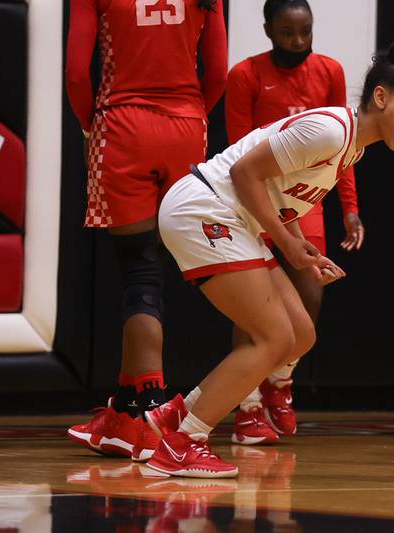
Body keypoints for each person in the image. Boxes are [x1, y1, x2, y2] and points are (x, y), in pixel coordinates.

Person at [141, 40, 394, 478]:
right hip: (205, 207)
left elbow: (280, 196)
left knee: (299, 335)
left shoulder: (352, 146)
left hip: (232, 216)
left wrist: (303, 248)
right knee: (272, 337)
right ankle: (184, 443)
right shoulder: (332, 130)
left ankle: (172, 418)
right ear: (381, 96)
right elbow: (244, 173)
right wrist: (288, 245)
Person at [64, 0, 228, 462]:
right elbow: (217, 73)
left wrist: (90, 126)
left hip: (122, 125)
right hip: (186, 125)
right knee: (168, 270)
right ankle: (125, 411)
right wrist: (191, 114)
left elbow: (78, 74)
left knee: (140, 272)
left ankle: (149, 410)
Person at [224, 0, 365, 444]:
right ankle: (246, 405)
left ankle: (279, 383)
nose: (298, 42)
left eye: (305, 32)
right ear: (268, 30)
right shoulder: (245, 76)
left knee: (310, 294)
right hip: (256, 199)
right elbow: (239, 154)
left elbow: (344, 149)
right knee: (251, 303)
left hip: (306, 203)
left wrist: (350, 206)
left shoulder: (329, 72)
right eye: (287, 33)